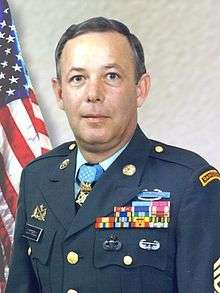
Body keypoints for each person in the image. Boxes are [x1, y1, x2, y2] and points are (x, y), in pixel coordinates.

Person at [5, 17, 220, 293]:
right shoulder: (39, 176)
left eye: (112, 76)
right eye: (78, 78)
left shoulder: (188, 185)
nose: (93, 94)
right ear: (59, 93)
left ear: (140, 89)